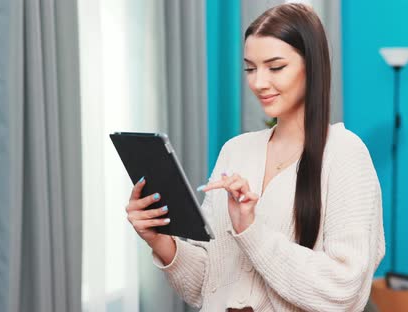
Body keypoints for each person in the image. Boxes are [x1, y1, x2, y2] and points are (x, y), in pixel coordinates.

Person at [124, 3, 385, 311]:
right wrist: (159, 240)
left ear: (311, 66)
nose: (259, 82)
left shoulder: (344, 153)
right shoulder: (236, 150)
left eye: (275, 67)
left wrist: (251, 230)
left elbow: (343, 290)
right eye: (250, 68)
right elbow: (207, 285)